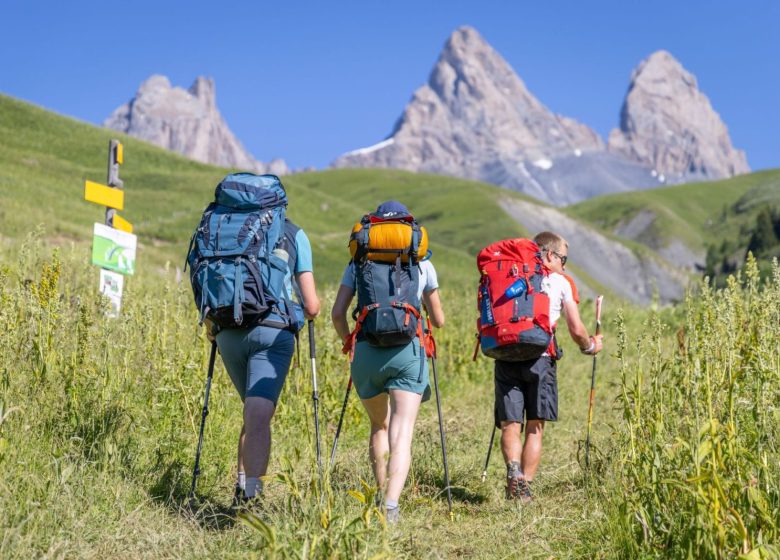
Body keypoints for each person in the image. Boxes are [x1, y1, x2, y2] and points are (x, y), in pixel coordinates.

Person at [331, 201, 445, 523]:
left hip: (367, 351)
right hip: (408, 351)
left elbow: (337, 314)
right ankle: (391, 506)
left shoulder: (358, 262)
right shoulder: (421, 261)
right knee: (402, 430)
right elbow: (437, 320)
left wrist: (348, 342)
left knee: (378, 426)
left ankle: (379, 497)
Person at [205, 217, 320, 505]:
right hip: (272, 332)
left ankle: (241, 487)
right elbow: (312, 306)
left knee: (252, 410)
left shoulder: (225, 227)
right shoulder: (294, 233)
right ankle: (250, 499)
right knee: (258, 413)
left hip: (227, 330)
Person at [496, 231, 603, 502]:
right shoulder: (560, 282)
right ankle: (525, 486)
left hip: (506, 354)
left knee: (510, 423)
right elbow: (576, 328)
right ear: (550, 255)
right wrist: (590, 345)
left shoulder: (509, 275)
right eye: (563, 258)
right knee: (535, 425)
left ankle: (513, 472)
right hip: (541, 359)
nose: (565, 265)